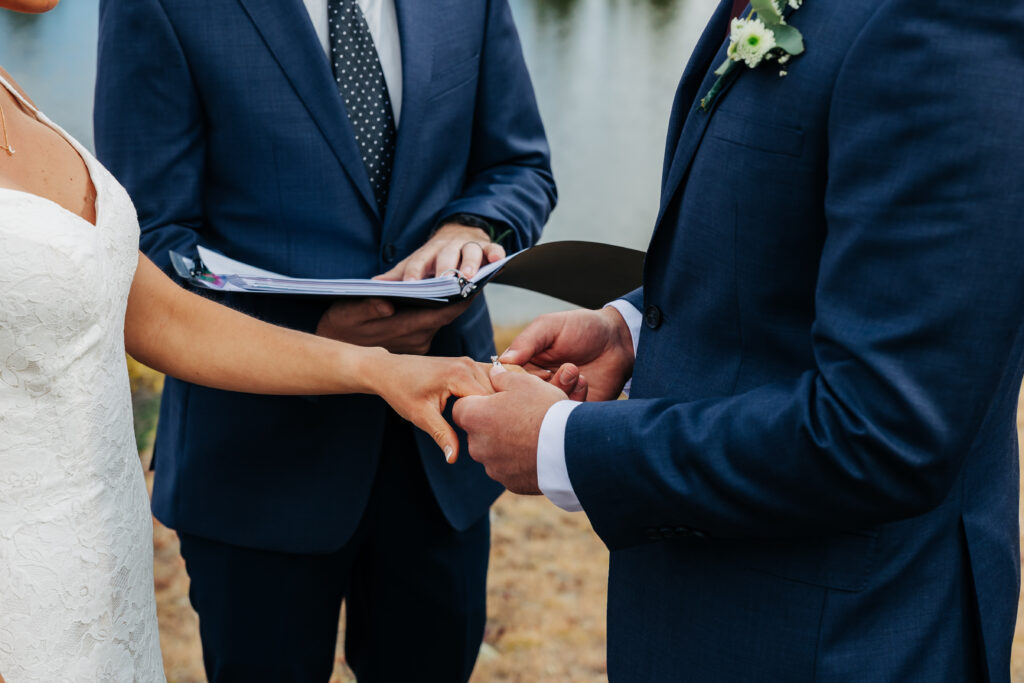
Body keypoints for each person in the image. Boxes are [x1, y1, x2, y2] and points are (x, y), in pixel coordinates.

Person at [455, 0, 1024, 680]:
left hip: (840, 639)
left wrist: (563, 445)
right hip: (698, 613)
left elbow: (885, 428)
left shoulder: (941, 20)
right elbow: (794, 244)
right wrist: (630, 331)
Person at [0, 4, 508, 679]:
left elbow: (151, 305)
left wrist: (378, 362)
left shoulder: (13, 95)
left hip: (103, 566)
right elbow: (157, 237)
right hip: (217, 484)